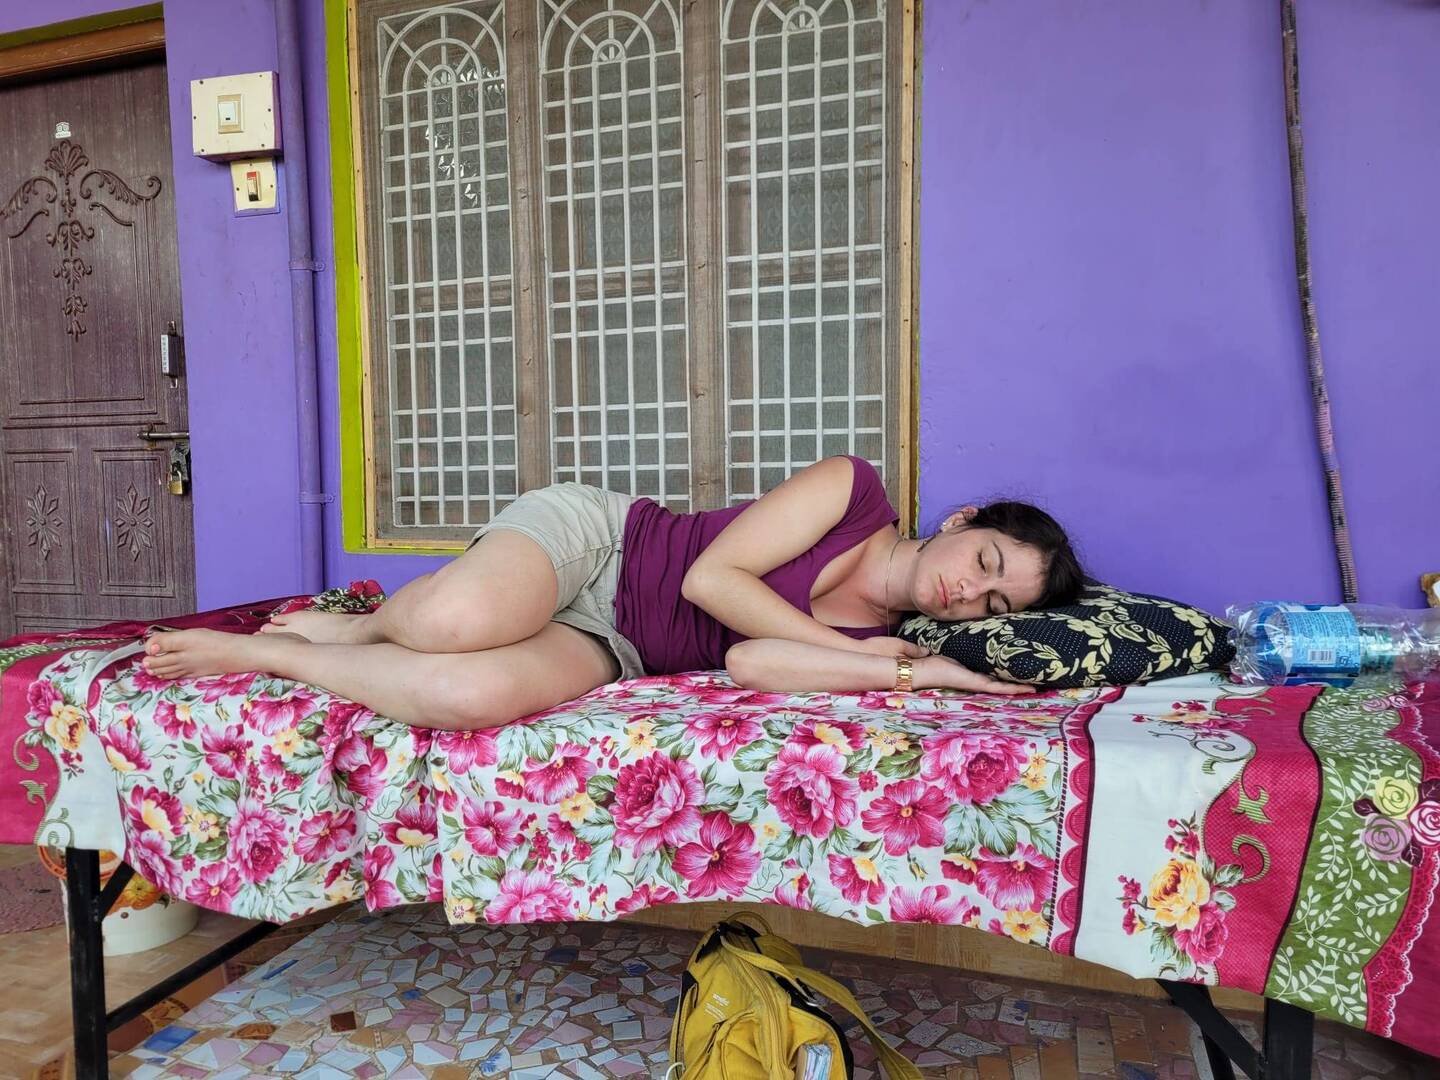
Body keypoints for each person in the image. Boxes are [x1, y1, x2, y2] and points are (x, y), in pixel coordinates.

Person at [141, 456, 1083, 729]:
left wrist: (930, 675)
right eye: (986, 561)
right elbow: (712, 581)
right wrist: (849, 651)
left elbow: (751, 661)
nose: (969, 593)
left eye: (994, 606)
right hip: (604, 547)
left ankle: (274, 656)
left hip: (619, 647)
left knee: (466, 694)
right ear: (962, 521)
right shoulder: (854, 490)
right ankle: (363, 628)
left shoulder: (891, 644)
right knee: (454, 620)